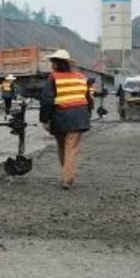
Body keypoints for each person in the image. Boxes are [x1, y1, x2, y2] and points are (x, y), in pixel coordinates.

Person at [39, 49, 92, 190]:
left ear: (56, 63)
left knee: (62, 147)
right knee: (71, 149)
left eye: (52, 62)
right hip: (78, 117)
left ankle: (66, 177)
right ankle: (67, 178)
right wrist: (88, 115)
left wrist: (44, 119)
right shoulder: (81, 77)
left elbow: (46, 101)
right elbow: (88, 98)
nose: (51, 65)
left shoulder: (53, 78)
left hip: (60, 117)